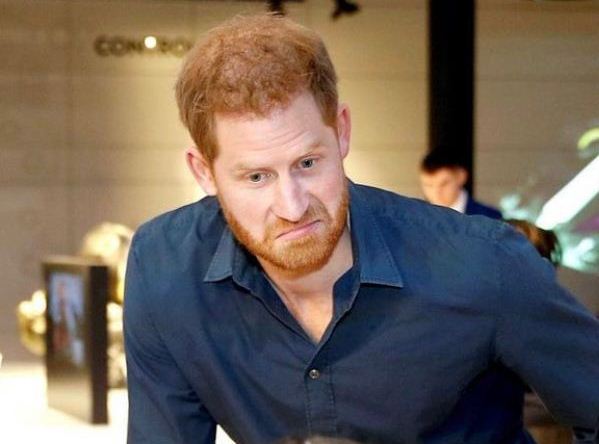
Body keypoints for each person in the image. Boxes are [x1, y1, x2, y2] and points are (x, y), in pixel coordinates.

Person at [124, 13, 599, 444]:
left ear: (342, 131)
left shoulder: (483, 263)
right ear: (204, 172)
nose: (292, 207)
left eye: (308, 163)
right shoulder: (165, 269)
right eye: (256, 177)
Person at [419, 150, 503, 219]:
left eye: (444, 184)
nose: (436, 192)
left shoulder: (490, 218)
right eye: (428, 185)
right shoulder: (418, 220)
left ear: (461, 177)